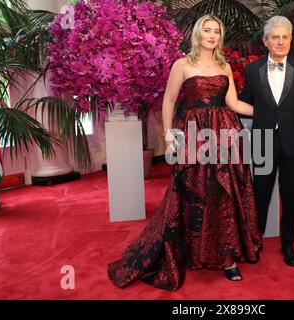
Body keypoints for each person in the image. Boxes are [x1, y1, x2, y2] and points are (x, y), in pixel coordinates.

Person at [107, 15, 262, 291]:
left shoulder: (224, 65)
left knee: (223, 194)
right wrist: (168, 135)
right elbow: (168, 99)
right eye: (207, 30)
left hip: (225, 137)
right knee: (195, 193)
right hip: (192, 135)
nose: (212, 35)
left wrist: (269, 111)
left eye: (217, 31)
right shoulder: (182, 64)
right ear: (198, 34)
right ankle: (193, 251)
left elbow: (234, 103)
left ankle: (227, 258)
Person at [240, 16, 294, 267]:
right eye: (275, 37)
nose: (281, 41)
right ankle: (255, 242)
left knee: (292, 195)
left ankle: (288, 245)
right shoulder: (252, 70)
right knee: (259, 195)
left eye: (285, 36)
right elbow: (244, 103)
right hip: (262, 141)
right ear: (265, 41)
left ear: (291, 39)